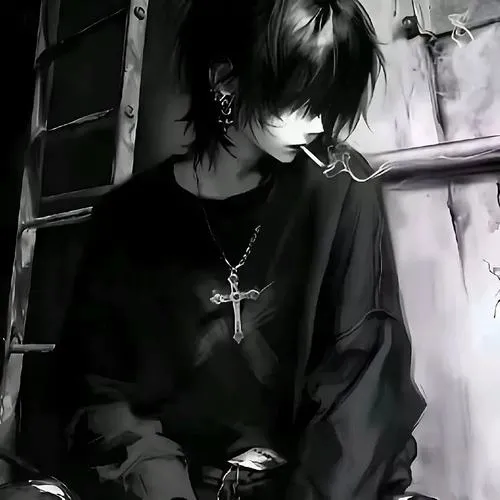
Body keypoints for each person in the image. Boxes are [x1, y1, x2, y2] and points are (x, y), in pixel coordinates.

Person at [54, 0, 428, 499]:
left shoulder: (340, 188)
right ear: (226, 80)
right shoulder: (128, 219)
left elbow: (364, 380)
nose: (319, 125)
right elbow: (100, 395)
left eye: (328, 103)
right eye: (301, 101)